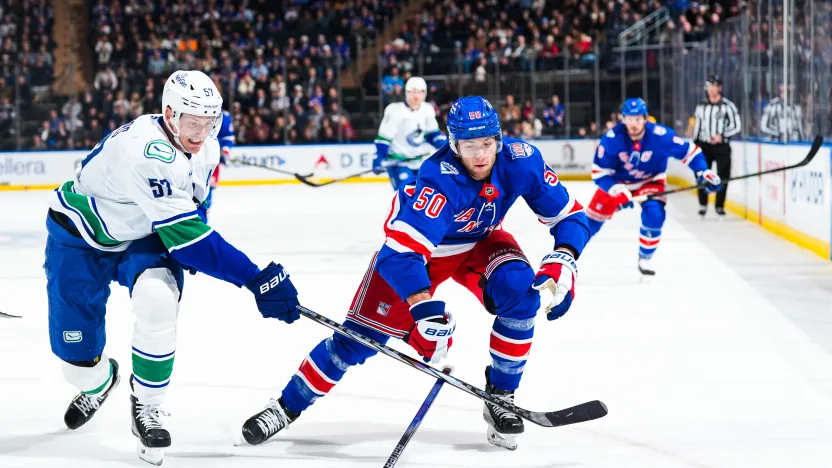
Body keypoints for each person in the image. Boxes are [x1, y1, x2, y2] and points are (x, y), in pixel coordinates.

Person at [240, 96, 589, 451]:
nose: (481, 155)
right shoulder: (440, 178)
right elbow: (399, 256)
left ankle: (501, 396)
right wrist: (421, 307)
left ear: (498, 139)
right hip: (419, 256)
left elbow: (571, 216)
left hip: (479, 241)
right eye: (469, 146)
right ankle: (285, 407)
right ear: (454, 145)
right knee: (354, 343)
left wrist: (566, 256)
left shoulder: (522, 161)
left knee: (522, 293)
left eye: (487, 144)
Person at [44, 70, 301, 465]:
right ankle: (102, 380)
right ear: (169, 114)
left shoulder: (207, 146)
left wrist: (193, 242)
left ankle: (148, 406)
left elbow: (193, 211)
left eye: (209, 122)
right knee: (77, 372)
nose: (200, 133)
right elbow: (187, 237)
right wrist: (254, 277)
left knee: (158, 301)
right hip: (80, 239)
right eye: (192, 123)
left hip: (144, 234)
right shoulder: (144, 152)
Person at [586, 98, 722, 276]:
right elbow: (599, 173)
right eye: (629, 119)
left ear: (645, 118)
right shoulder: (612, 139)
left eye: (637, 119)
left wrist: (703, 172)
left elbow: (690, 152)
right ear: (623, 119)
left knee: (655, 214)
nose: (633, 124)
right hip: (618, 183)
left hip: (650, 181)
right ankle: (568, 251)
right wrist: (617, 190)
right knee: (591, 220)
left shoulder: (660, 136)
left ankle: (645, 257)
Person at [372, 76, 448, 189]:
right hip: (398, 162)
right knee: (407, 195)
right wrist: (379, 157)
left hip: (419, 162)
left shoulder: (427, 109)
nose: (416, 95)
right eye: (413, 91)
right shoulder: (395, 111)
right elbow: (384, 139)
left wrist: (443, 144)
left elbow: (432, 134)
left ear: (425, 93)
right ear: (407, 93)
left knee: (422, 196)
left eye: (420, 92)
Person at [692, 75, 741, 218]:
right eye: (709, 86)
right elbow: (697, 126)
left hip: (722, 146)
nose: (711, 89)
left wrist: (722, 135)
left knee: (723, 175)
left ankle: (719, 206)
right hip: (704, 145)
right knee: (701, 174)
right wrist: (694, 144)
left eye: (714, 85)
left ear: (720, 88)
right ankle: (703, 204)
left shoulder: (728, 106)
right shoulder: (701, 105)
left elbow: (736, 126)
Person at [203, 109, 234, 219]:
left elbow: (228, 137)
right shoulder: (195, 111)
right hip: (195, 157)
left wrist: (225, 151)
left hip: (213, 160)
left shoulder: (223, 116)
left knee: (209, 186)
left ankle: (203, 216)